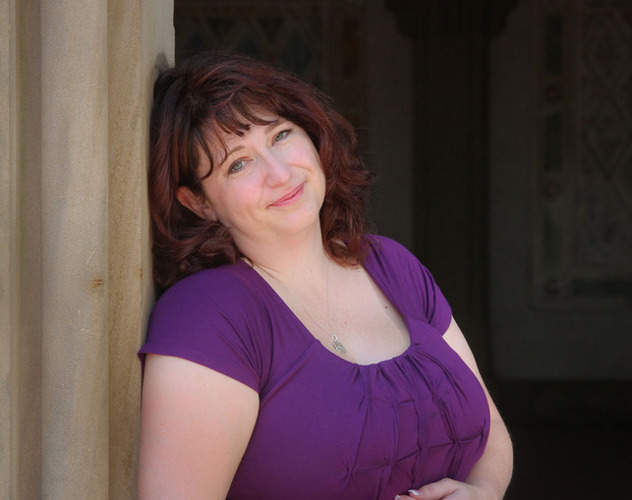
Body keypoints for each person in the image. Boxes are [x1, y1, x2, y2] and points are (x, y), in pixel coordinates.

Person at [138, 49, 512, 500]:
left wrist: (484, 491)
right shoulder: (207, 317)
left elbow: (489, 426)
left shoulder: (393, 265)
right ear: (198, 202)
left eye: (280, 135)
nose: (280, 174)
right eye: (238, 163)